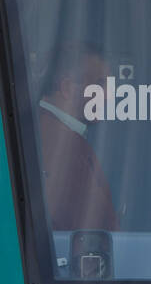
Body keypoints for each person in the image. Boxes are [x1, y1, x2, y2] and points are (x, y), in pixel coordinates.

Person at [37, 41, 118, 231]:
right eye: (100, 84)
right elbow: (88, 231)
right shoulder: (61, 146)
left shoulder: (45, 132)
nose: (109, 95)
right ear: (68, 88)